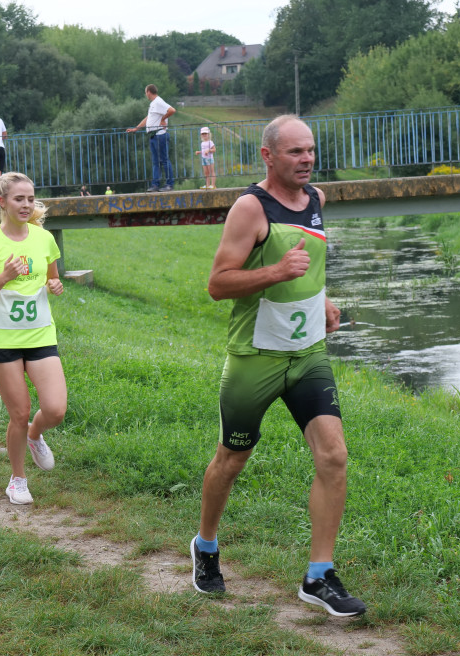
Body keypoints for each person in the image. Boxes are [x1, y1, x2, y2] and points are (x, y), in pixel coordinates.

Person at [191, 115, 365, 618]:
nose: (306, 159)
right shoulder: (250, 209)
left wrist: (324, 301)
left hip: (307, 354)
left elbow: (309, 264)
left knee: (333, 456)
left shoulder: (317, 200)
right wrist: (274, 271)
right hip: (254, 358)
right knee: (232, 458)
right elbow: (218, 283)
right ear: (268, 156)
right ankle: (205, 546)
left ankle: (319, 575)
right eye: (295, 152)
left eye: (310, 150)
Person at [0, 172, 67, 505]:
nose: (26, 205)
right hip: (2, 339)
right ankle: (18, 480)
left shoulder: (43, 239)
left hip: (40, 333)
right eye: (18, 199)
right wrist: (4, 278)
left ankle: (36, 436)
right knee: (19, 413)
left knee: (55, 410)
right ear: (2, 202)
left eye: (30, 199)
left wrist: (55, 286)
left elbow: (52, 279)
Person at [127, 84, 176, 192]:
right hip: (153, 136)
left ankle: (169, 184)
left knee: (164, 160)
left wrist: (163, 119)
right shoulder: (153, 104)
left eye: (146, 93)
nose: (146, 95)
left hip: (160, 135)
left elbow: (172, 110)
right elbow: (148, 118)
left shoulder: (158, 101)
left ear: (149, 92)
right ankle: (155, 185)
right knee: (155, 162)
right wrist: (136, 129)